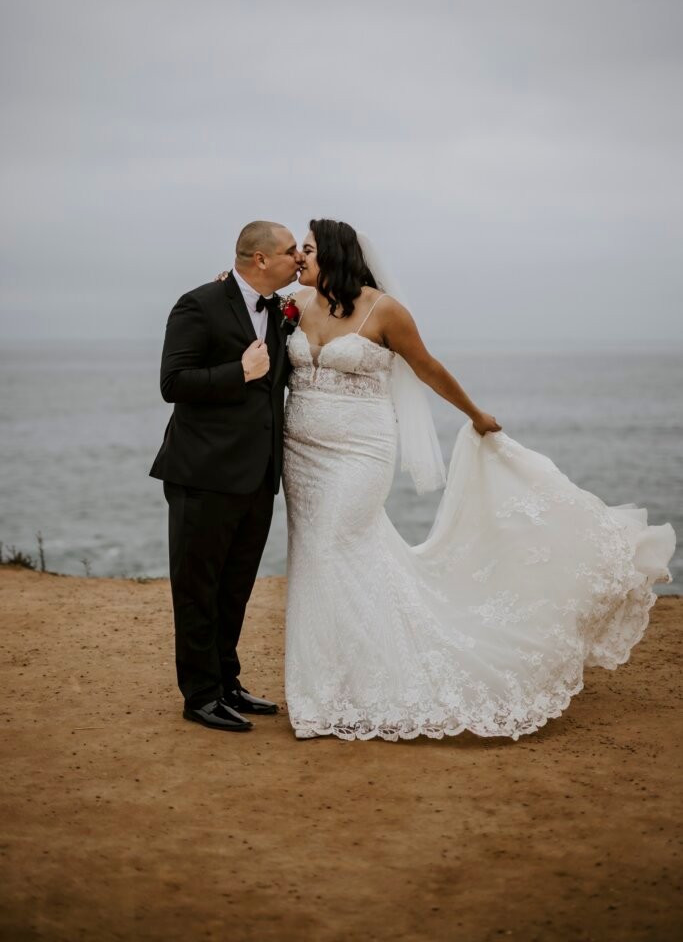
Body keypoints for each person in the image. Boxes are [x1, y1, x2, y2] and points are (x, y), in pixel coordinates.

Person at [282, 218, 675, 741]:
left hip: (359, 452)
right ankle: (325, 686)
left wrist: (474, 413)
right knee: (313, 557)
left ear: (331, 254)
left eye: (304, 250)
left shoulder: (385, 310)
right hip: (301, 456)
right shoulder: (293, 304)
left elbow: (427, 368)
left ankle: (362, 687)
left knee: (334, 546)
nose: (296, 259)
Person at [150, 220, 300, 732]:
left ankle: (227, 681)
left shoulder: (282, 312)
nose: (298, 259)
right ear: (259, 259)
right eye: (289, 252)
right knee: (198, 588)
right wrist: (239, 373)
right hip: (204, 472)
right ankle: (200, 695)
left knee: (234, 587)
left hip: (258, 476)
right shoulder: (198, 304)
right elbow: (174, 382)